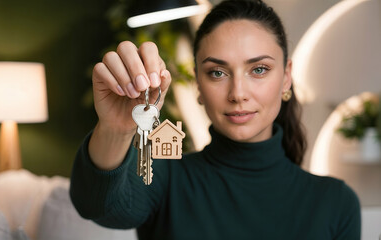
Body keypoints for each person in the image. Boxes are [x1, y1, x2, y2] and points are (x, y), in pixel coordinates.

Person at [69, 0, 361, 239]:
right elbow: (97, 206)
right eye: (217, 73)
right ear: (198, 84)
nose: (238, 93)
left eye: (258, 69)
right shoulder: (165, 179)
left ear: (286, 78)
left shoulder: (335, 203)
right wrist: (116, 127)